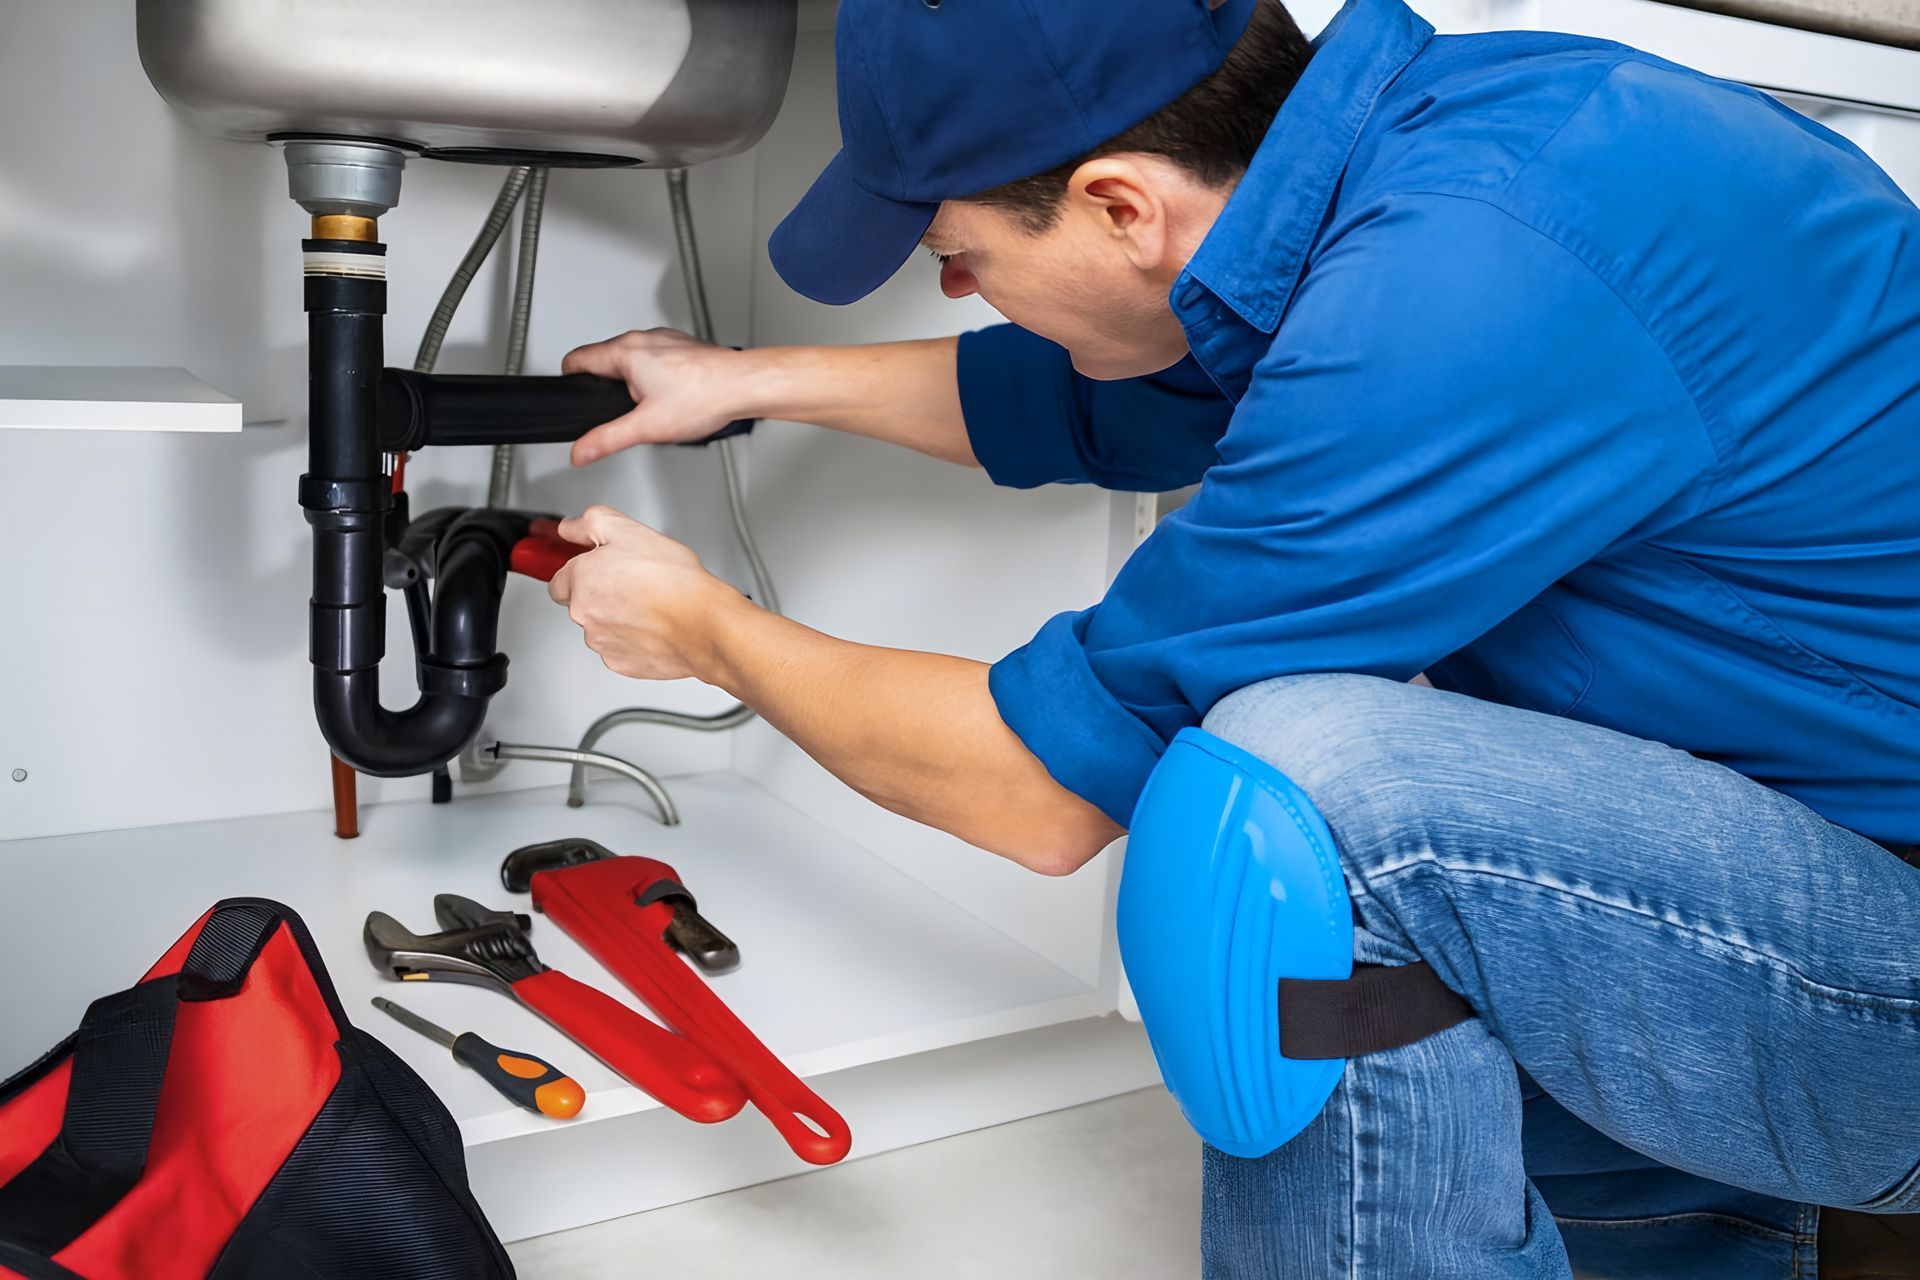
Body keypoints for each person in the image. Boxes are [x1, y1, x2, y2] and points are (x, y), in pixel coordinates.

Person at [545, 0, 1920, 1274]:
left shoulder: (1457, 297)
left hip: (1889, 989)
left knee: (1300, 795)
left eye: (961, 256)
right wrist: (741, 382)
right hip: (1793, 874)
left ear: (1120, 205)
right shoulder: (1463, 153)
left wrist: (709, 632)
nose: (960, 290)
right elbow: (1102, 399)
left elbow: (1036, 793)